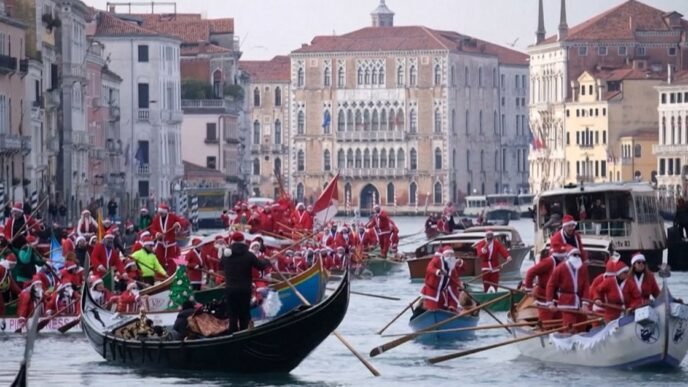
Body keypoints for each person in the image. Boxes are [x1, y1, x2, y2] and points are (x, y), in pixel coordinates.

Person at [221, 231, 272, 333]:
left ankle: (232, 334)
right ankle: (244, 333)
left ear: (232, 241)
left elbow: (221, 264)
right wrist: (266, 261)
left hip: (230, 289)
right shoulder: (249, 255)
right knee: (244, 313)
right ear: (243, 241)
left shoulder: (226, 255)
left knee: (232, 314)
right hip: (244, 289)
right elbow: (260, 266)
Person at [545, 248, 590, 332]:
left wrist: (585, 304)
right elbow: (551, 285)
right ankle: (567, 340)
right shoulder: (560, 268)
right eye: (574, 255)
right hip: (566, 302)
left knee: (582, 325)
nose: (576, 257)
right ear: (569, 256)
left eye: (578, 255)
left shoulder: (583, 268)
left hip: (579, 301)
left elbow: (586, 286)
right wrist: (550, 303)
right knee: (569, 327)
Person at [523, 245, 567, 322]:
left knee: (560, 318)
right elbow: (530, 272)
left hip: (555, 296)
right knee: (546, 320)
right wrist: (529, 290)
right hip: (543, 295)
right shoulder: (548, 262)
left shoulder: (563, 263)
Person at [420, 247, 464, 312]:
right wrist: (438, 271)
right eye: (447, 255)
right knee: (431, 308)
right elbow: (430, 268)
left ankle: (451, 309)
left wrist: (459, 284)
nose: (450, 257)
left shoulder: (452, 266)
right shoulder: (437, 260)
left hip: (442, 291)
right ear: (444, 255)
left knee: (452, 292)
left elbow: (454, 278)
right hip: (432, 290)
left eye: (451, 255)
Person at [150, 203, 183, 272]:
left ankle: (171, 273)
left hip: (170, 244)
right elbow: (152, 228)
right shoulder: (156, 218)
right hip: (160, 243)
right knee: (159, 259)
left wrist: (177, 225)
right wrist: (157, 234)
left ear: (165, 212)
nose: (160, 214)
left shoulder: (172, 217)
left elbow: (181, 222)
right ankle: (160, 274)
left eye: (161, 213)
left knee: (171, 260)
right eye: (159, 213)